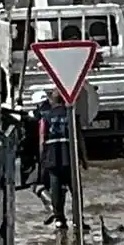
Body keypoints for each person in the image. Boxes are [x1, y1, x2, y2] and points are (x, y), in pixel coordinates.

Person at [37, 91, 86, 228]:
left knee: (56, 190)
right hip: (70, 158)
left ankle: (59, 219)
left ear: (51, 101)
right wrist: (84, 158)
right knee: (75, 190)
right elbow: (79, 138)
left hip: (53, 158)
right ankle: (78, 219)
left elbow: (42, 140)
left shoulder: (45, 118)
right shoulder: (72, 116)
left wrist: (42, 159)